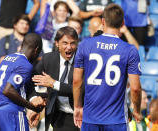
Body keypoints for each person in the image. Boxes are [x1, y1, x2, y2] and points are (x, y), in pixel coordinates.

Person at [73, 3, 142, 131]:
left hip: (90, 118)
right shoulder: (129, 50)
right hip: (116, 120)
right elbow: (136, 88)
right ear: (122, 23)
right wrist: (136, 110)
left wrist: (77, 107)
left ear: (103, 21)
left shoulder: (84, 44)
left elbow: (77, 81)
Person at [0, 33, 46, 131]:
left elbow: (23, 87)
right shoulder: (25, 64)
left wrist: (35, 98)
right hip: (12, 114)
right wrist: (30, 106)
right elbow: (8, 90)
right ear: (36, 50)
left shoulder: (7, 58)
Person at [31, 26, 83, 131]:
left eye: (72, 43)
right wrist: (36, 98)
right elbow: (31, 81)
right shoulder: (48, 59)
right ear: (56, 43)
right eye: (65, 43)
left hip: (81, 116)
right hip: (58, 117)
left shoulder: (83, 61)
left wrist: (54, 84)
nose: (69, 47)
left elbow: (81, 89)